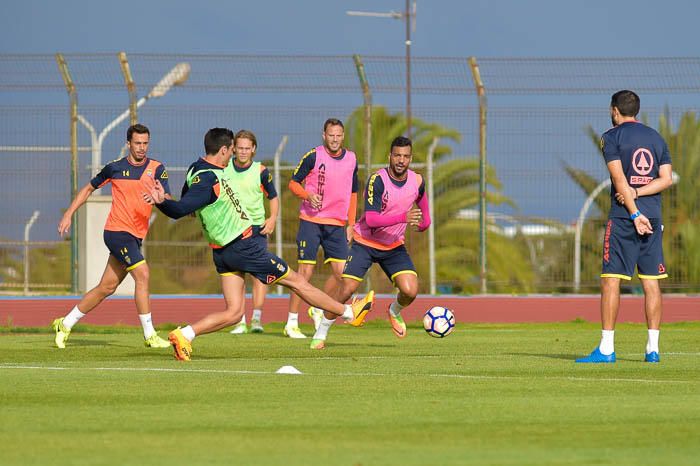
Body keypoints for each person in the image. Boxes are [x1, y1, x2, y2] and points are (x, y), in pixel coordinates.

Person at [143, 128, 374, 361]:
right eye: (232, 150)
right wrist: (162, 204)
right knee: (297, 281)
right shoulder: (209, 179)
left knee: (234, 313)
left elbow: (188, 206)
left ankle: (185, 334)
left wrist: (166, 201)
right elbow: (182, 210)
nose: (233, 154)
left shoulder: (195, 169)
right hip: (243, 248)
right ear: (223, 150)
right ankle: (347, 312)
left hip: (222, 252)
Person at [53, 124, 172, 349]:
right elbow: (88, 188)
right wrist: (69, 214)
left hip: (135, 236)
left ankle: (65, 323)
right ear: (128, 144)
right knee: (143, 275)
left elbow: (165, 195)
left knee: (106, 288)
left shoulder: (157, 168)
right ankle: (150, 336)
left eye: (145, 143)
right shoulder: (114, 168)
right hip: (117, 233)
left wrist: (161, 197)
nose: (142, 148)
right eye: (137, 143)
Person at [576, 90, 673, 364]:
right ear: (637, 111)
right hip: (653, 217)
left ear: (614, 110)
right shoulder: (656, 137)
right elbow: (665, 179)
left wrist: (633, 212)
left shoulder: (611, 137)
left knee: (611, 280)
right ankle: (652, 350)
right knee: (651, 283)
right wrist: (641, 197)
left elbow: (619, 180)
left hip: (623, 218)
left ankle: (606, 349)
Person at [309, 136, 431, 350]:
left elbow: (422, 200)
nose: (401, 160)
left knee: (411, 290)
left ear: (410, 158)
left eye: (405, 156)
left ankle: (394, 311)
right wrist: (404, 217)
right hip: (365, 241)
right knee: (346, 289)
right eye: (397, 156)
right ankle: (322, 330)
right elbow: (372, 220)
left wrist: (424, 223)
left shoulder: (417, 180)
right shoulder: (378, 180)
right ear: (390, 157)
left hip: (393, 246)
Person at [285, 118, 359, 338]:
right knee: (304, 273)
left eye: (338, 135)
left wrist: (351, 223)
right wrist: (307, 195)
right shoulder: (313, 156)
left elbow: (354, 192)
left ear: (343, 136)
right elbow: (293, 183)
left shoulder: (352, 159)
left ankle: (317, 308)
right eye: (331, 135)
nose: (334, 139)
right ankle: (291, 322)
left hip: (336, 225)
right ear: (324, 135)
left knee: (342, 275)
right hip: (311, 222)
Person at [227, 130, 277, 335]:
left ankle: (256, 318)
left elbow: (273, 197)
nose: (244, 152)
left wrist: (272, 218)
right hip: (232, 230)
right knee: (237, 275)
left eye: (248, 148)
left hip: (256, 230)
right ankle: (239, 320)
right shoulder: (224, 168)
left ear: (253, 149)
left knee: (258, 276)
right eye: (240, 148)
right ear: (233, 148)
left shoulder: (261, 171)